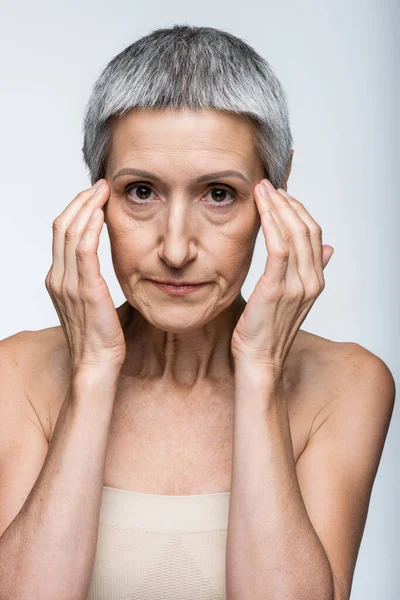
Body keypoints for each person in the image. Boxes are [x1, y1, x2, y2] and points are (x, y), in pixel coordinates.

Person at [0, 24, 395, 600]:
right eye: (141, 191)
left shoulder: (347, 384)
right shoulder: (16, 375)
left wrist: (259, 368)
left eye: (218, 194)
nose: (177, 248)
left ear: (277, 192)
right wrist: (91, 371)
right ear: (96, 196)